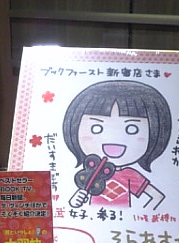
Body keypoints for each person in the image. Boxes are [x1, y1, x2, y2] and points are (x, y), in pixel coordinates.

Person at [63, 80, 172, 210]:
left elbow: (157, 196)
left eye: (132, 129)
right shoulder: (88, 174)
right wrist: (74, 201)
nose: (113, 139)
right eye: (96, 128)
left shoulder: (129, 175)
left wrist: (141, 215)